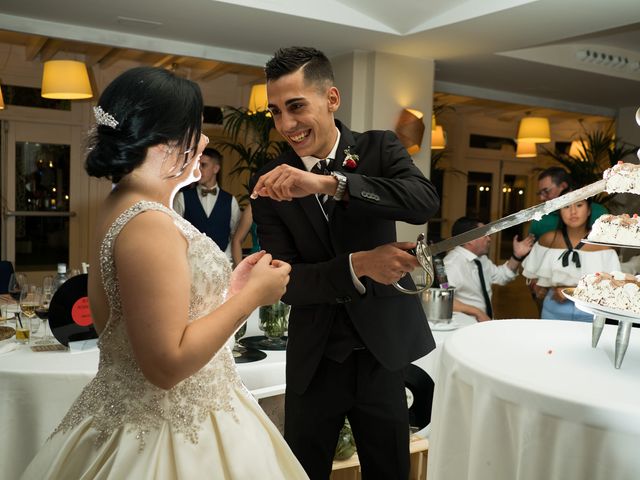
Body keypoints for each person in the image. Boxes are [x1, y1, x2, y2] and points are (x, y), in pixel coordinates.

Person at [22, 66, 307, 479]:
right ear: (164, 141)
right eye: (196, 131)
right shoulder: (149, 224)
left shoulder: (125, 203)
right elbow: (165, 366)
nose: (205, 142)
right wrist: (253, 298)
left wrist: (231, 288)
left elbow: (154, 314)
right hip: (170, 433)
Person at [250, 46, 440, 480]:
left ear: (331, 99)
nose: (286, 125)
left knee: (389, 471)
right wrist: (359, 265)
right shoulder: (268, 181)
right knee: (301, 472)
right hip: (315, 362)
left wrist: (328, 183)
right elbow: (286, 284)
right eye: (276, 112)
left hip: (382, 354)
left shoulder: (378, 148)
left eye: (296, 106)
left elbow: (422, 202)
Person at [522, 196, 621, 321]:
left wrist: (574, 292)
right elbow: (532, 274)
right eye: (566, 206)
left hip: (591, 312)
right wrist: (539, 288)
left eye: (579, 205)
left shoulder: (604, 244)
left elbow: (614, 288)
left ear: (589, 210)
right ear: (560, 211)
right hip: (553, 309)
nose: (573, 212)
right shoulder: (548, 239)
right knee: (550, 341)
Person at [443, 217, 534, 321]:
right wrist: (477, 312)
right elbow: (443, 299)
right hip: (463, 327)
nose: (489, 239)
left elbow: (501, 276)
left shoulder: (481, 260)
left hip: (481, 325)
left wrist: (517, 256)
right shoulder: (452, 264)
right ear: (470, 239)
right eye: (485, 235)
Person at [173, 148, 241, 262]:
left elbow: (235, 235)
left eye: (203, 165)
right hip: (192, 263)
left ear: (216, 168)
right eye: (197, 166)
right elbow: (175, 232)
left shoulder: (230, 200)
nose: (198, 170)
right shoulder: (182, 197)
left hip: (222, 263)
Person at [528, 167, 607, 239]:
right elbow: (530, 249)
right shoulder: (540, 218)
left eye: (546, 191)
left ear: (563, 186)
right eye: (540, 193)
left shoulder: (599, 213)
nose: (541, 198)